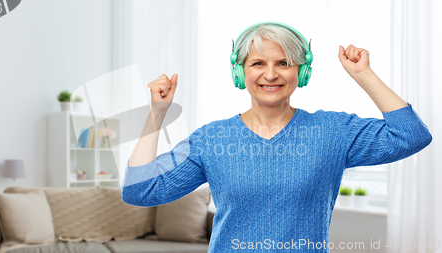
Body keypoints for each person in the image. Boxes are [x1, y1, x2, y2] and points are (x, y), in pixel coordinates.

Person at [121, 22, 432, 252]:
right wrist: (157, 113)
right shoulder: (211, 139)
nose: (271, 74)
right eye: (258, 63)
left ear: (302, 72)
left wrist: (364, 75)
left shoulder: (332, 132)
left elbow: (411, 135)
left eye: (283, 63)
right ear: (240, 73)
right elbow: (140, 191)